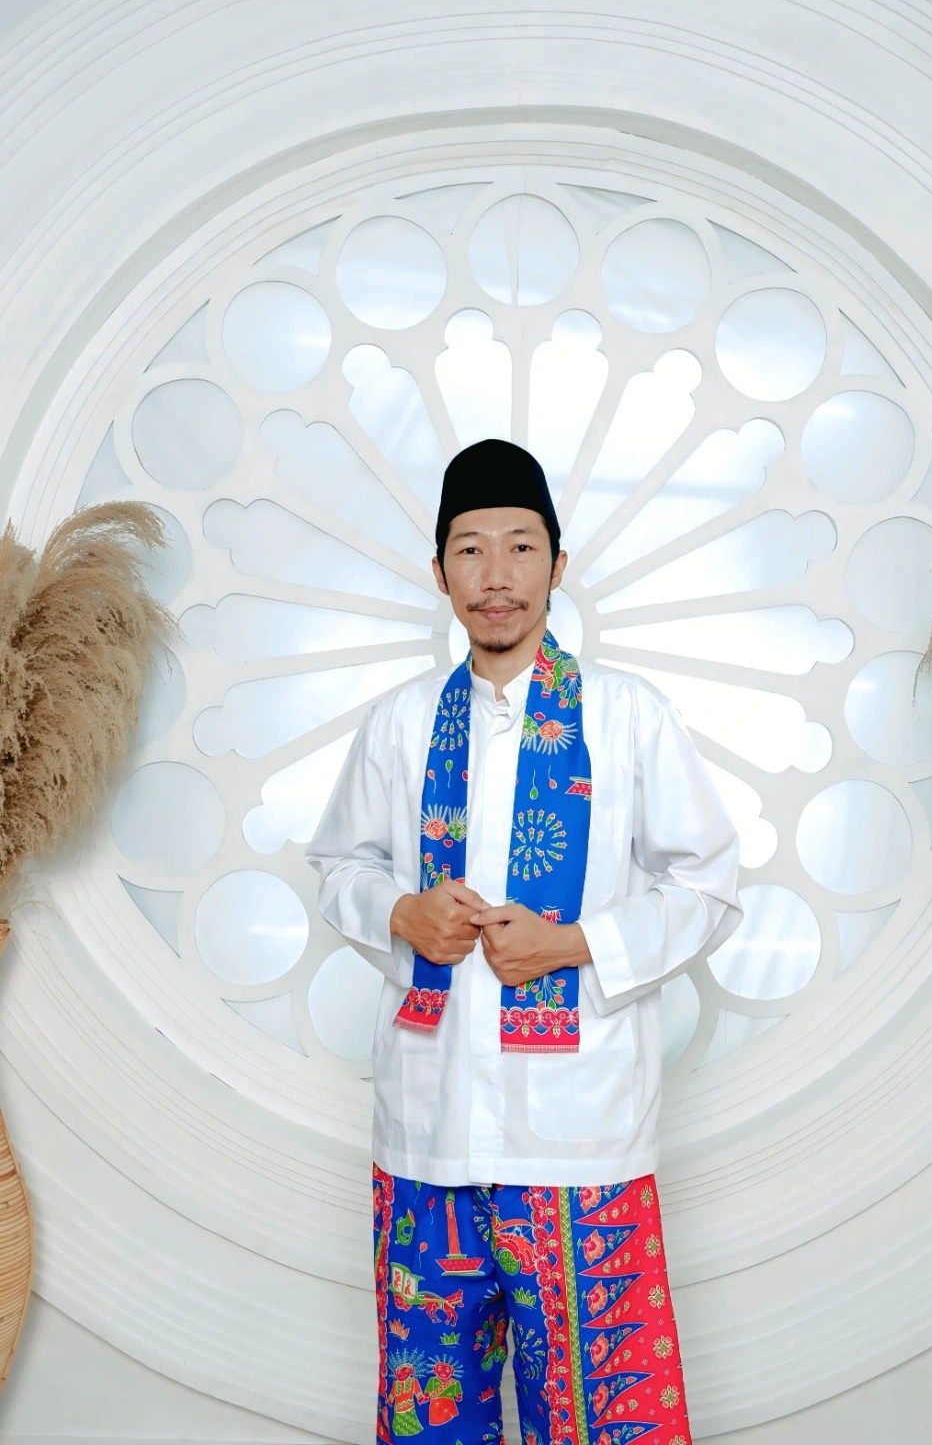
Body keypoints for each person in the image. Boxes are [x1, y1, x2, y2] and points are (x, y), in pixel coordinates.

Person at [307, 438, 742, 1445]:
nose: (495, 574)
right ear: (439, 572)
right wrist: (400, 913)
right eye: (470, 549)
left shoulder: (629, 717)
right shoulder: (399, 723)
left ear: (558, 562)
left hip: (579, 1141)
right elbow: (338, 865)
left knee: (602, 1423)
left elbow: (710, 886)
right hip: (426, 1140)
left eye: (520, 546)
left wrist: (577, 944)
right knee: (429, 1423)